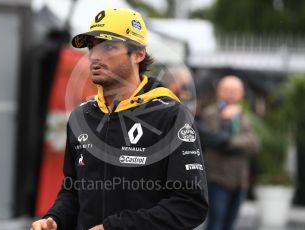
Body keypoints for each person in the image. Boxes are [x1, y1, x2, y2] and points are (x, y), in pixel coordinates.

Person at [30, 8, 208, 230]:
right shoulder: (81, 116)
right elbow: (73, 190)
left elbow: (190, 205)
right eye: (91, 46)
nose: (95, 56)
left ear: (138, 54)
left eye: (109, 47)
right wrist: (55, 219)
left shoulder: (171, 115)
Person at [201, 76, 260, 230]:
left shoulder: (244, 115)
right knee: (215, 223)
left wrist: (233, 142)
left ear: (242, 94)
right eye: (227, 90)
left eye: (235, 91)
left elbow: (254, 144)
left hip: (240, 179)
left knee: (230, 224)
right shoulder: (211, 113)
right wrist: (226, 121)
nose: (231, 94)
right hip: (218, 179)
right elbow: (218, 141)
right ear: (218, 92)